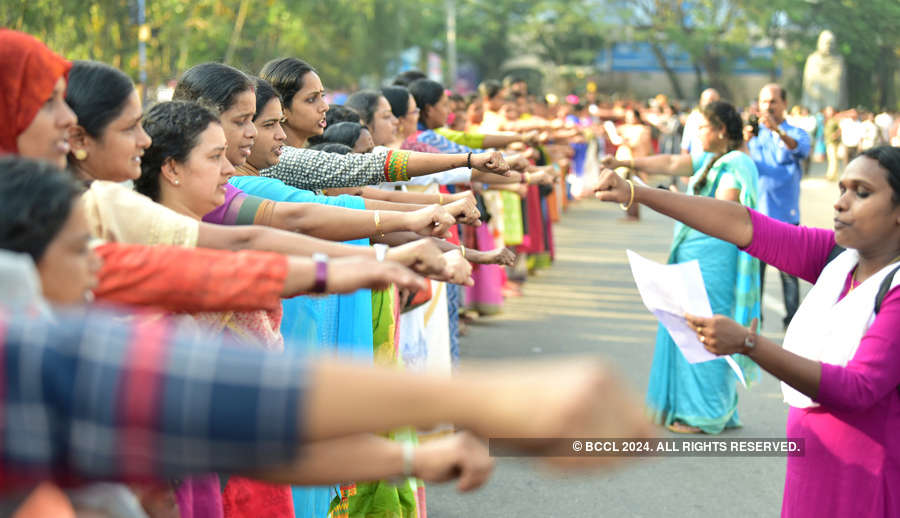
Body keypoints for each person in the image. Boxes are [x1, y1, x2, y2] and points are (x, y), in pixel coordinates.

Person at [592, 145, 900, 518]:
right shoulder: (839, 257)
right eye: (842, 190)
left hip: (866, 479)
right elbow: (744, 224)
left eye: (862, 193)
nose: (841, 203)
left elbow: (859, 388)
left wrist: (749, 344)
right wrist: (636, 192)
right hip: (813, 466)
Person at [601, 101, 761, 433]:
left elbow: (723, 210)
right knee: (690, 326)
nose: (696, 134)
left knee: (708, 326)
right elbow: (672, 161)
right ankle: (715, 409)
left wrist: (672, 200)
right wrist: (624, 161)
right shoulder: (712, 159)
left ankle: (705, 412)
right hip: (695, 254)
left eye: (701, 128)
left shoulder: (736, 163)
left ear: (719, 131)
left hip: (714, 259)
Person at [746, 84, 810, 328]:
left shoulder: (796, 132)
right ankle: (755, 321)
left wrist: (778, 132)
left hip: (785, 213)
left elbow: (800, 149)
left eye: (773, 101)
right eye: (764, 101)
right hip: (757, 214)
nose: (768, 106)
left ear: (784, 104)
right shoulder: (753, 134)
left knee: (789, 274)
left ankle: (793, 322)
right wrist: (744, 140)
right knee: (755, 275)